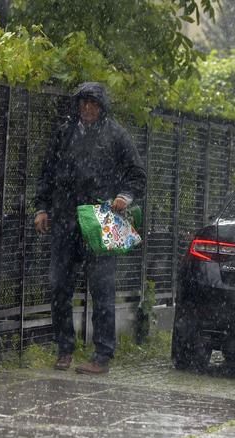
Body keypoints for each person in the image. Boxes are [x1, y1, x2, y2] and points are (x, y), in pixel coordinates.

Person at [34, 82, 146, 375]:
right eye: (83, 103)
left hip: (103, 218)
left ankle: (102, 355)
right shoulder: (64, 134)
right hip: (65, 218)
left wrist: (125, 196)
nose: (87, 108)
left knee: (103, 289)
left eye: (93, 104)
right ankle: (64, 348)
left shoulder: (117, 135)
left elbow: (137, 174)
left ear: (102, 107)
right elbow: (46, 172)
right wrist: (42, 207)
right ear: (77, 106)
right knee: (59, 285)